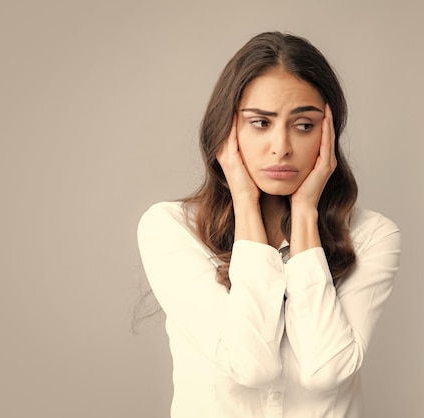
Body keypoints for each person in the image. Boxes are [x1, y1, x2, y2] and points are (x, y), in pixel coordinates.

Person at [137, 31, 401, 418]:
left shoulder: (371, 235)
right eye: (260, 123)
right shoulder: (171, 228)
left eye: (304, 125)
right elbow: (250, 366)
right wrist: (245, 205)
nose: (281, 147)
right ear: (228, 129)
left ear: (330, 134)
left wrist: (306, 213)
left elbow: (326, 371)